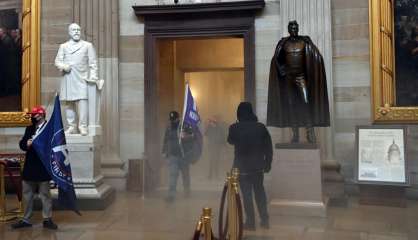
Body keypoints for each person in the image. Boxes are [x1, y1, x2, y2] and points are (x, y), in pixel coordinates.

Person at [267, 20, 330, 143]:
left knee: (306, 103)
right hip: (288, 79)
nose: (294, 30)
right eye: (292, 28)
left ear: (298, 29)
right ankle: (295, 133)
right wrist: (281, 70)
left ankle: (309, 131)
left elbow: (316, 56)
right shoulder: (283, 43)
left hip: (301, 77)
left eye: (296, 28)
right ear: (289, 30)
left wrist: (316, 61)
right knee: (291, 105)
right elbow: (276, 59)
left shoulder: (305, 42)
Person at [227, 102, 273, 230]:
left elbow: (230, 141)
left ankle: (251, 222)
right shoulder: (261, 127)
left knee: (246, 195)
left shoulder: (234, 127)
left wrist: (237, 125)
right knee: (259, 193)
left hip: (241, 168)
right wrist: (268, 163)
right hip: (257, 166)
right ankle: (265, 220)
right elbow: (268, 147)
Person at [11, 106, 58, 230]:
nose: (33, 116)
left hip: (43, 166)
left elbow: (54, 145)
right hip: (30, 165)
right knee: (27, 193)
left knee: (45, 194)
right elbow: (22, 143)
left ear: (41, 115)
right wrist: (26, 144)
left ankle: (47, 219)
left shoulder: (49, 128)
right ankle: (26, 219)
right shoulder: (30, 128)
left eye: (35, 114)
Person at [55, 23, 99, 135]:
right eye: (74, 30)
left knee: (82, 102)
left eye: (78, 30)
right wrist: (64, 66)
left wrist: (93, 76)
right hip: (68, 77)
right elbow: (57, 61)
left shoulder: (87, 45)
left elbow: (93, 63)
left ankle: (82, 126)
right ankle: (71, 126)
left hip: (82, 78)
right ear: (69, 32)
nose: (76, 32)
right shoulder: (63, 46)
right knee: (69, 103)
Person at [162, 111, 194, 202]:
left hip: (183, 155)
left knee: (185, 175)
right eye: (171, 120)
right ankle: (171, 195)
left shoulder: (185, 125)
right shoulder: (168, 127)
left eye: (174, 119)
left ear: (178, 118)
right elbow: (165, 139)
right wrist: (164, 151)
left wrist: (185, 136)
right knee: (173, 175)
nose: (172, 121)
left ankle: (187, 192)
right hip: (173, 155)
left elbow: (192, 136)